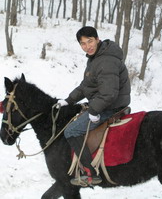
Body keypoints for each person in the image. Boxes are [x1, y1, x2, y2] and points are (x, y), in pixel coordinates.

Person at [56, 26, 131, 186]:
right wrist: (68, 100)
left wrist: (94, 110)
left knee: (71, 131)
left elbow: (109, 93)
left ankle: (90, 172)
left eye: (90, 41)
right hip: (103, 102)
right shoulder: (96, 59)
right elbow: (85, 86)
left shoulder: (106, 60)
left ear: (97, 39)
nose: (87, 46)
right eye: (83, 43)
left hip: (111, 105)